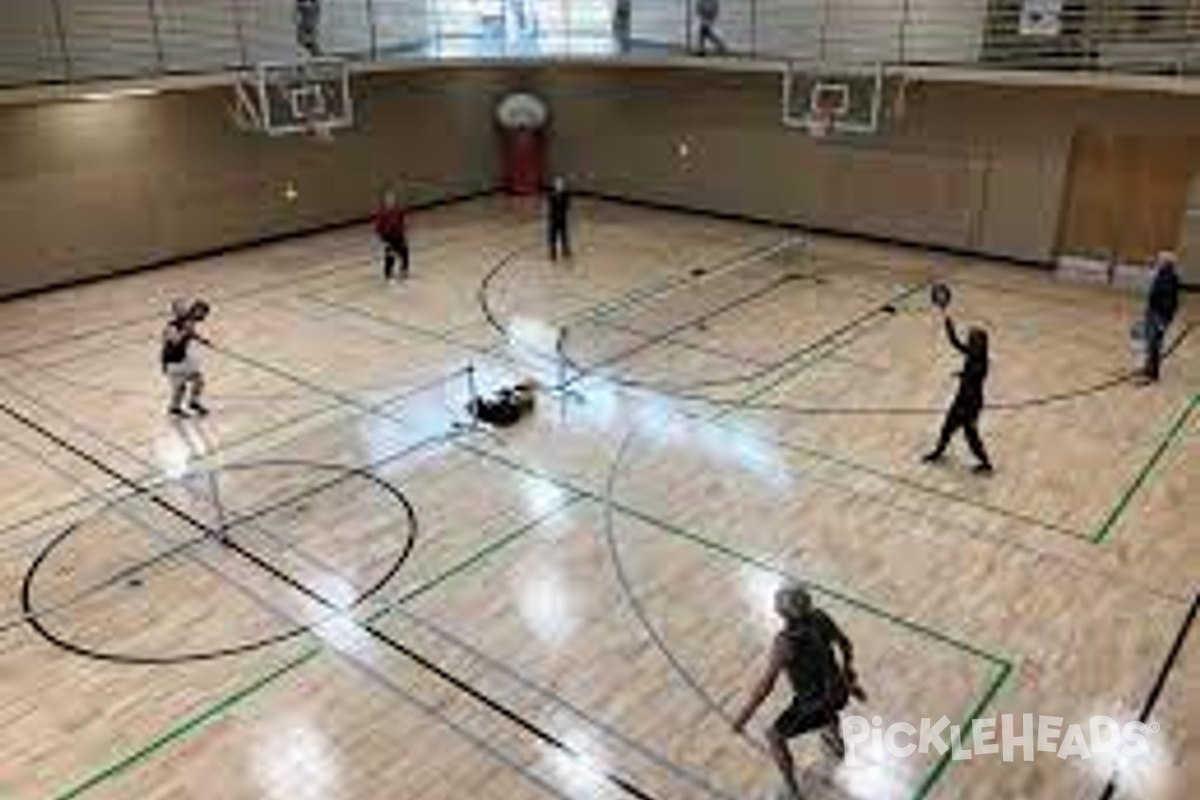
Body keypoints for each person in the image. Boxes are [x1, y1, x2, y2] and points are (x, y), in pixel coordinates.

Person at [732, 585, 865, 800]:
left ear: (782, 613)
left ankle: (792, 791)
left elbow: (766, 686)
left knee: (774, 736)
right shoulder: (821, 618)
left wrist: (743, 716)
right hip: (839, 692)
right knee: (829, 708)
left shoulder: (784, 643)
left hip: (816, 704)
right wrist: (849, 675)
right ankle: (837, 742)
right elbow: (845, 644)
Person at [922, 310, 993, 474]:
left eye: (972, 340)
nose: (969, 342)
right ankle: (938, 452)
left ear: (980, 345)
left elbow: (973, 377)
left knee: (971, 436)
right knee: (946, 428)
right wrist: (948, 322)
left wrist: (962, 376)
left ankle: (986, 463)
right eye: (970, 339)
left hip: (972, 405)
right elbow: (954, 342)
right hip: (961, 400)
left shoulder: (982, 363)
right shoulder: (971, 353)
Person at [1136, 251, 1181, 385]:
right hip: (1154, 313)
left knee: (1154, 345)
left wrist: (1163, 321)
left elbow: (1169, 302)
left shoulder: (1169, 277)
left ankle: (1151, 374)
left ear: (1166, 263)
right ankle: (1147, 369)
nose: (1157, 261)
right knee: (1150, 343)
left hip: (1159, 316)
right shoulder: (1163, 275)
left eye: (1160, 260)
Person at [161, 299, 212, 418]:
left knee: (199, 381)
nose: (185, 310)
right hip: (172, 361)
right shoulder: (171, 326)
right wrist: (185, 331)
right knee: (180, 388)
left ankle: (193, 403)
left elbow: (192, 333)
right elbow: (175, 341)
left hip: (183, 358)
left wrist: (202, 340)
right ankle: (174, 408)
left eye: (185, 307)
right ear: (175, 311)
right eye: (181, 308)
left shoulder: (188, 322)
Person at [467, 380, 538, 428]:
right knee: (505, 406)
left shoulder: (487, 413)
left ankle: (520, 395)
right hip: (508, 417)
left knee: (505, 404)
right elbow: (505, 413)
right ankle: (521, 396)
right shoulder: (489, 414)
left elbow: (501, 406)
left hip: (507, 417)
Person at [374, 190, 409, 281]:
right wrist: (384, 240)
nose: (391, 202)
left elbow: (402, 221)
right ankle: (388, 273)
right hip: (388, 237)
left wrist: (403, 230)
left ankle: (404, 270)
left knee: (404, 252)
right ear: (385, 202)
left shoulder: (398, 210)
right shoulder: (382, 213)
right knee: (390, 256)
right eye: (388, 200)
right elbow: (378, 228)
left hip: (398, 235)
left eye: (392, 200)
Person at [547, 177, 572, 262]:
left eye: (561, 184)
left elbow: (567, 206)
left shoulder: (566, 195)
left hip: (562, 219)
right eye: (558, 184)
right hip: (554, 219)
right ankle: (553, 253)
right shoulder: (551, 194)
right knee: (553, 237)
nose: (559, 186)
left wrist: (564, 210)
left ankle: (565, 251)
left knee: (564, 236)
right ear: (555, 185)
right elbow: (551, 207)